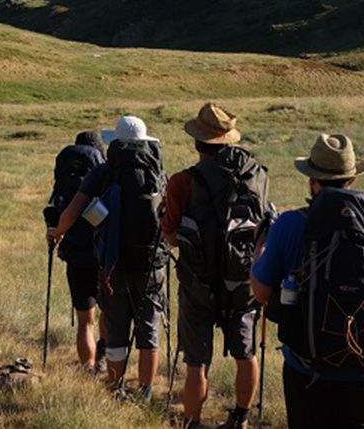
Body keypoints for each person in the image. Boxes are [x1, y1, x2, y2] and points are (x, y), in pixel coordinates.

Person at [251, 134, 364, 429]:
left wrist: (258, 254)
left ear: (312, 181)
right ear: (352, 179)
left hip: (305, 370)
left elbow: (261, 293)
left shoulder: (288, 225)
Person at [162, 103, 272, 429]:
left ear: (198, 143)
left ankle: (193, 422)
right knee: (246, 353)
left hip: (198, 283)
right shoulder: (257, 175)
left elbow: (171, 236)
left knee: (196, 361)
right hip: (244, 282)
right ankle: (240, 418)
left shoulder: (183, 182)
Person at [50, 116, 167, 398]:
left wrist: (58, 232)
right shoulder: (158, 172)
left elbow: (73, 211)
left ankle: (116, 389)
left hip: (112, 263)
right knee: (149, 331)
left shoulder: (103, 172)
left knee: (115, 330)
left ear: (115, 142)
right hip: (151, 264)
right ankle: (146, 390)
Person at [43, 130, 107, 374]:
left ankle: (87, 367)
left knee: (84, 320)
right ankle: (101, 356)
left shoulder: (66, 175)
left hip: (76, 252)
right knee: (107, 312)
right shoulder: (104, 174)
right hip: (102, 252)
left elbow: (61, 212)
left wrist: (57, 233)